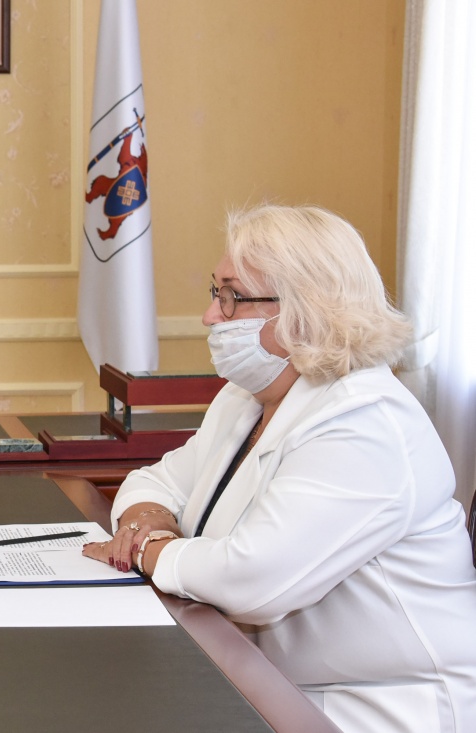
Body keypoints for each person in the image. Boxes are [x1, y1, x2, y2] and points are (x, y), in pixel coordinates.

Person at [83, 204, 476, 732]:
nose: (210, 316)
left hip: (377, 708)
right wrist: (147, 520)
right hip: (264, 679)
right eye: (215, 292)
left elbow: (251, 581)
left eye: (232, 296)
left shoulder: (365, 422)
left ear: (305, 311)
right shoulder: (247, 398)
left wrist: (146, 550)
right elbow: (154, 481)